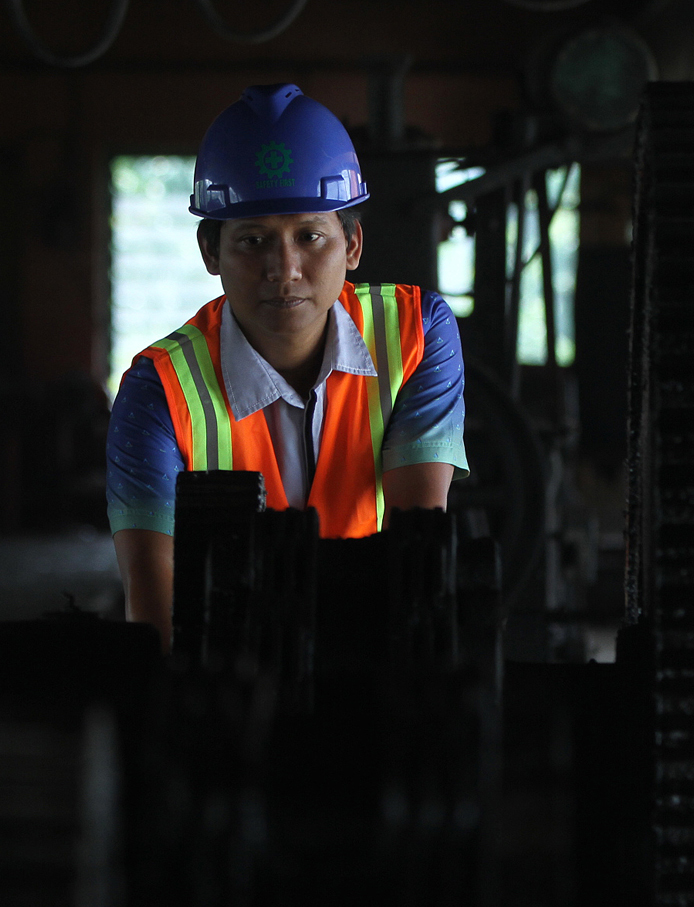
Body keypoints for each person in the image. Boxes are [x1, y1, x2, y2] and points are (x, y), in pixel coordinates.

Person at [106, 83, 469, 647]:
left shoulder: (417, 334)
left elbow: (416, 554)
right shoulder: (159, 393)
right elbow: (155, 616)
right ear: (210, 253)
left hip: (377, 654)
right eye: (252, 240)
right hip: (222, 675)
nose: (284, 268)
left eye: (310, 236)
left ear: (352, 246)